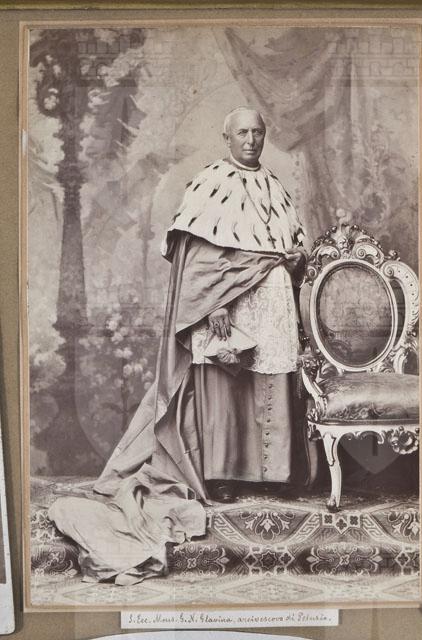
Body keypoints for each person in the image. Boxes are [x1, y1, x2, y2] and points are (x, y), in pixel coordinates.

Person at [48, 106, 308, 584]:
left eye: (257, 132)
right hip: (229, 306)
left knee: (273, 380)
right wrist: (214, 304)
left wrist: (294, 259)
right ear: (226, 137)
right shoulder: (211, 184)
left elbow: (295, 245)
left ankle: (274, 474)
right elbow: (198, 258)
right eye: (242, 132)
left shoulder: (276, 186)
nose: (251, 140)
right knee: (227, 388)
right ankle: (226, 473)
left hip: (274, 304)